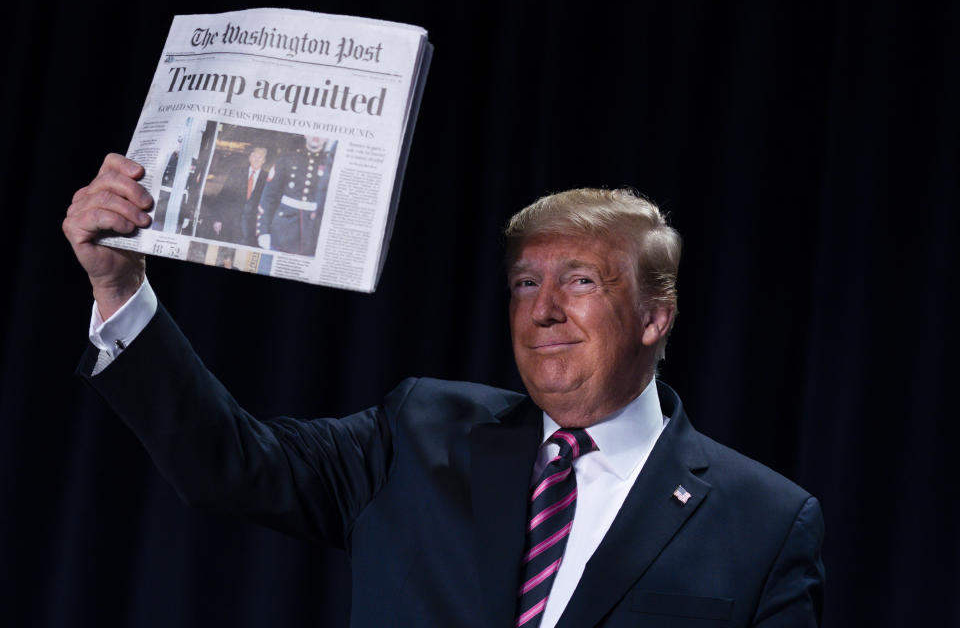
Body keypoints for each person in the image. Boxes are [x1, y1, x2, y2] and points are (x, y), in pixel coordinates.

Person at [63, 154, 825, 627]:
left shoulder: (764, 521)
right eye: (526, 283)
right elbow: (227, 463)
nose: (544, 308)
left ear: (656, 315)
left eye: (581, 281)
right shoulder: (419, 430)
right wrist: (120, 287)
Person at [256, 135, 334, 255]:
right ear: (305, 134)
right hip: (283, 228)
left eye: (322, 133)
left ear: (326, 138)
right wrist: (263, 231)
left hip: (313, 232)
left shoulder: (331, 165)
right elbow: (268, 196)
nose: (316, 136)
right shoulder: (287, 159)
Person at [198, 146, 268, 244]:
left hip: (253, 227)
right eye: (254, 156)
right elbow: (224, 197)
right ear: (250, 157)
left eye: (260, 157)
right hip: (231, 223)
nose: (256, 159)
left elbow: (269, 205)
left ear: (264, 160)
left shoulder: (267, 179)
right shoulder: (236, 173)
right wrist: (218, 219)